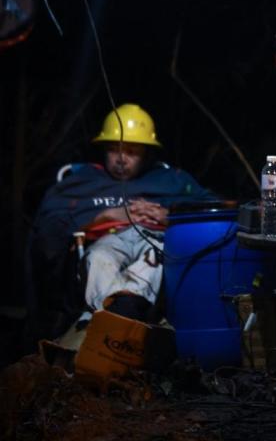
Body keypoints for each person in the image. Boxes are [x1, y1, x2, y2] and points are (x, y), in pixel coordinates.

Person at [26, 103, 217, 340]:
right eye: (114, 150)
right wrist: (105, 215)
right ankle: (121, 320)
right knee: (98, 259)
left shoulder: (169, 180)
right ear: (104, 149)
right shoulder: (86, 180)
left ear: (146, 153)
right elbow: (50, 223)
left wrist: (169, 216)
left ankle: (105, 323)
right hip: (109, 238)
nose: (121, 159)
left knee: (154, 260)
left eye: (132, 151)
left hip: (154, 239)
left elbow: (211, 209)